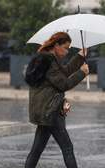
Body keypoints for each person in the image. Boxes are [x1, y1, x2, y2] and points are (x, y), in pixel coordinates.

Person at [25, 32, 89, 168]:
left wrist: (79, 57)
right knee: (67, 149)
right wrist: (82, 73)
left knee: (36, 151)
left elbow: (63, 73)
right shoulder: (48, 62)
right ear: (56, 45)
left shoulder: (46, 59)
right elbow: (64, 84)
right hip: (51, 111)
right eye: (65, 48)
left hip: (45, 111)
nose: (66, 52)